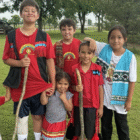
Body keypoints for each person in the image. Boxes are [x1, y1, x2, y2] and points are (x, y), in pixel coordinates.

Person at [2, 0, 55, 140]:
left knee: (38, 116)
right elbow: (5, 58)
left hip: (40, 85)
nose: (29, 12)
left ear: (37, 15)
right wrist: (19, 63)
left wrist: (53, 83)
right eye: (26, 10)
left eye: (33, 10)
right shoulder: (11, 36)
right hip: (20, 86)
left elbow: (50, 60)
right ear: (21, 14)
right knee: (22, 117)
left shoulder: (44, 36)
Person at [90, 25, 137, 140]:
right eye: (112, 37)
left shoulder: (130, 57)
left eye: (119, 37)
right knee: (105, 127)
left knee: (122, 127)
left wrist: (129, 101)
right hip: (105, 99)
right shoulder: (104, 49)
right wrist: (90, 40)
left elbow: (132, 80)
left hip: (120, 100)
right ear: (109, 39)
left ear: (125, 39)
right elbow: (87, 41)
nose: (115, 40)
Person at [71, 41, 104, 140]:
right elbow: (70, 86)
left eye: (89, 53)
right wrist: (75, 87)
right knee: (77, 130)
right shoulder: (74, 68)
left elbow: (100, 88)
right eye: (83, 52)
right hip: (78, 105)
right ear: (79, 53)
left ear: (93, 54)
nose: (86, 56)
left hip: (92, 106)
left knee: (90, 132)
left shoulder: (97, 69)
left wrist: (101, 107)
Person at [40, 71, 73, 140]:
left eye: (65, 84)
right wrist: (44, 92)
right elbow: (43, 102)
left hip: (60, 124)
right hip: (48, 122)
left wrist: (64, 100)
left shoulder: (68, 95)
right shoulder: (51, 92)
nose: (62, 86)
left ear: (69, 84)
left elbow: (70, 108)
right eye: (60, 83)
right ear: (55, 83)